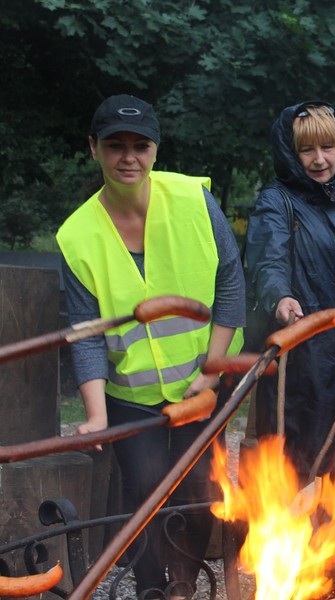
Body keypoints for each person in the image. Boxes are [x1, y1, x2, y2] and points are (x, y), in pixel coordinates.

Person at [56, 94, 244, 598]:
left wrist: (211, 370)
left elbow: (231, 282)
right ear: (93, 149)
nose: (128, 157)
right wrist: (96, 415)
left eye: (140, 146)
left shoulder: (193, 200)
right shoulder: (77, 235)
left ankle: (183, 585)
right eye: (115, 145)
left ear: (155, 150)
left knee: (198, 490)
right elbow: (86, 332)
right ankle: (149, 588)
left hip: (202, 380)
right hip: (129, 393)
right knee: (143, 489)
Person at [244, 101, 335, 484]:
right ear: (290, 153)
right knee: (297, 464)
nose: (319, 159)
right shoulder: (276, 201)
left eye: (327, 147)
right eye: (307, 150)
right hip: (302, 359)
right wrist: (280, 297)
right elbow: (268, 260)